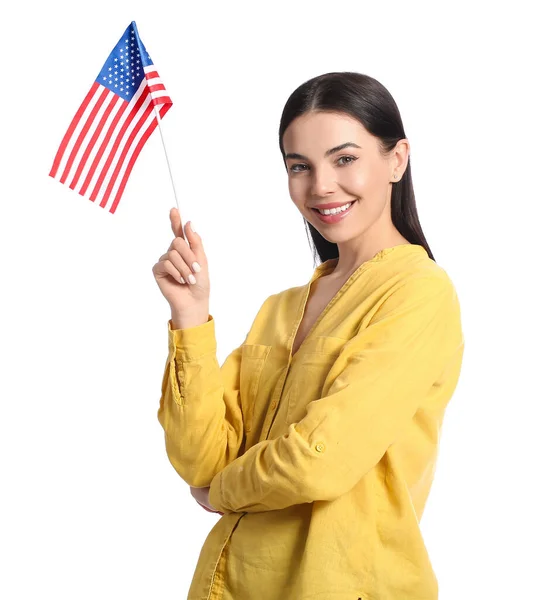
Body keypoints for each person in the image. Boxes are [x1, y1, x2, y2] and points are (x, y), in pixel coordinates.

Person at [152, 71, 465, 600]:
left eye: (345, 159)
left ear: (397, 158)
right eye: (300, 167)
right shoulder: (280, 309)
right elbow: (198, 457)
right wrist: (191, 316)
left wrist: (220, 492)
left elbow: (321, 457)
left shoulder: (420, 292)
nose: (320, 186)